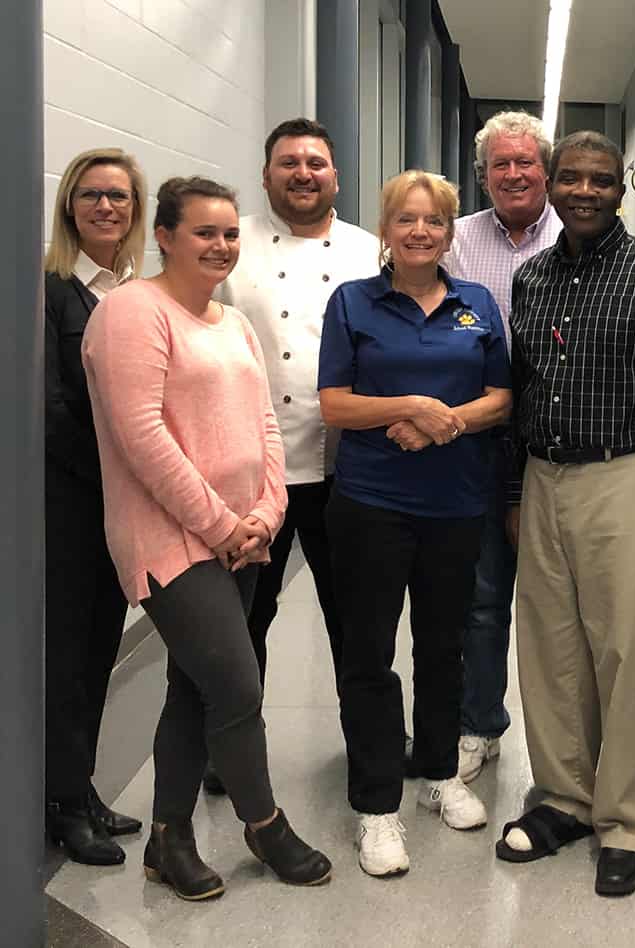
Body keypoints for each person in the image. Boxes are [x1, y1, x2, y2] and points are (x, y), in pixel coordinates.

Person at [83, 176, 331, 900]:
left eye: (230, 234)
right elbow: (143, 440)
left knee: (192, 690)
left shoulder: (232, 322)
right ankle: (265, 823)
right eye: (204, 233)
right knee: (236, 685)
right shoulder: (133, 312)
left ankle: (169, 838)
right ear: (163, 236)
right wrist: (223, 525)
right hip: (170, 539)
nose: (221, 246)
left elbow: (265, 425)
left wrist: (267, 511)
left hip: (242, 534)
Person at [496, 131, 635, 898]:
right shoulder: (533, 278)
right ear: (552, 185)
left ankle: (624, 819)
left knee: (621, 653)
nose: (584, 191)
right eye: (571, 178)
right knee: (548, 648)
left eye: (601, 180)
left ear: (623, 190)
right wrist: (519, 494)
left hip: (625, 477)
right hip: (544, 477)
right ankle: (563, 798)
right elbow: (522, 391)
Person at [318, 170, 511, 877]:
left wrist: (444, 423)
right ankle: (375, 808)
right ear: (387, 229)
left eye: (434, 220)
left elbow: (502, 396)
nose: (420, 231)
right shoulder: (353, 303)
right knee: (368, 656)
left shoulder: (477, 303)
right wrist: (407, 406)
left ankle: (438, 774)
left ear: (450, 230)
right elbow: (335, 403)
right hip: (371, 504)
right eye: (406, 219)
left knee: (443, 646)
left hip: (457, 503)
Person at [215, 119, 379, 765]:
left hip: (343, 467)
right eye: (289, 162)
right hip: (249, 470)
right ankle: (230, 747)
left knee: (354, 617)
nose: (303, 173)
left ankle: (368, 737)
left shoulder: (368, 251)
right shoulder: (232, 244)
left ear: (336, 177)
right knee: (243, 621)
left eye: (315, 162)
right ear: (266, 174)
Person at [442, 110, 562, 783]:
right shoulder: (454, 242)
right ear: (482, 175)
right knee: (483, 600)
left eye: (524, 162)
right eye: (499, 165)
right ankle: (479, 724)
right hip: (479, 443)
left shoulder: (581, 235)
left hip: (558, 445)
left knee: (558, 606)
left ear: (544, 168)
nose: (513, 174)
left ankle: (569, 740)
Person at [44, 147, 147, 866]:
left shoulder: (133, 293)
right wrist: (119, 468)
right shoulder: (51, 291)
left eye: (117, 195)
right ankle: (60, 803)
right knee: (68, 656)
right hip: (73, 503)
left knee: (102, 648)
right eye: (90, 195)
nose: (104, 207)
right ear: (69, 207)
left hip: (124, 506)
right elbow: (48, 407)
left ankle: (80, 788)